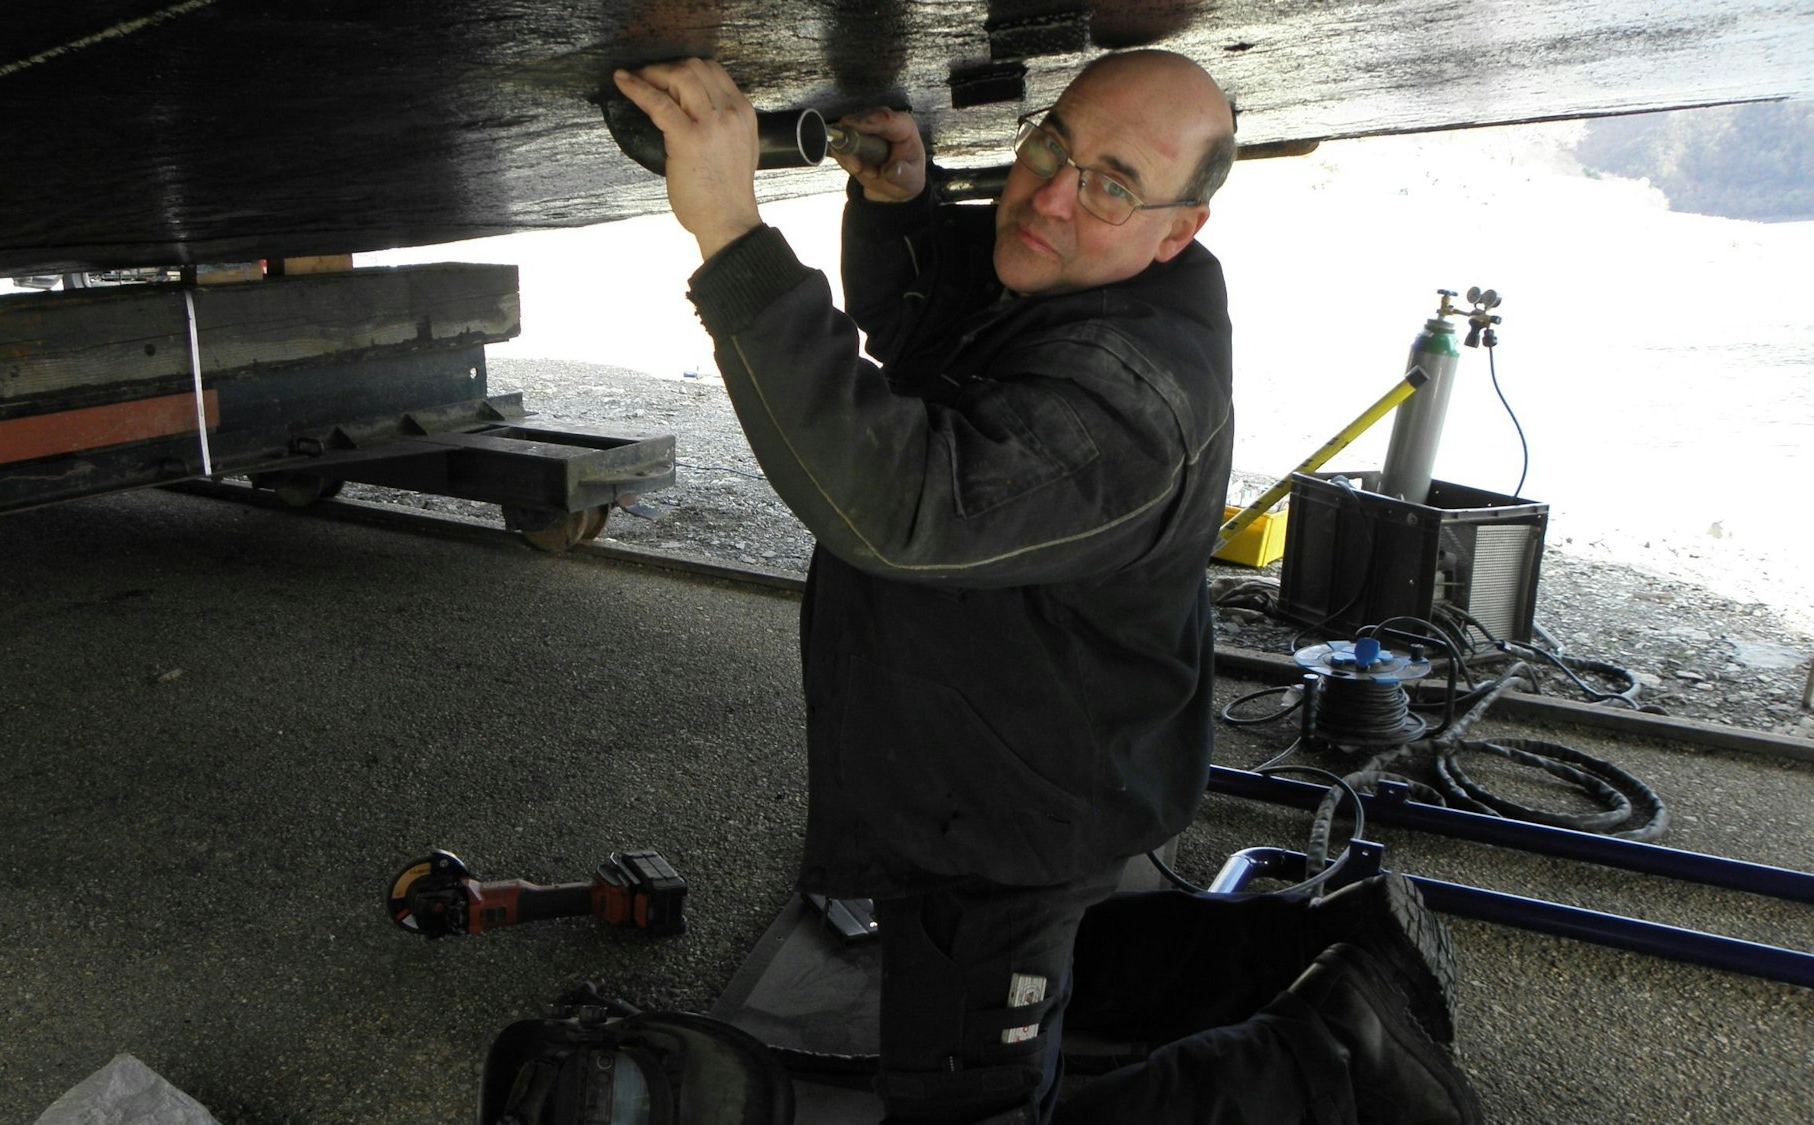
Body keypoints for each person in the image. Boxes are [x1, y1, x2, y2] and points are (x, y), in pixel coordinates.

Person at [612, 51, 1483, 1124]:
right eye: (1049, 146)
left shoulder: (1129, 404)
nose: (1048, 195)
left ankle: (1325, 1058)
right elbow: (945, 336)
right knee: (1039, 958)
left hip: (1008, 812)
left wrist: (734, 241)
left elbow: (902, 508)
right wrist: (899, 209)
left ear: (1178, 228)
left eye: (1110, 183)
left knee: (972, 1087)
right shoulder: (1094, 271)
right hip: (1022, 747)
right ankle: (1301, 949)